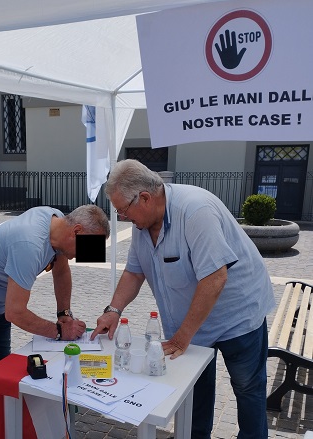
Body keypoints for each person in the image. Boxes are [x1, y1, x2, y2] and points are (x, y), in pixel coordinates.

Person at [91, 159, 275, 439]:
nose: (123, 218)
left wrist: (181, 337)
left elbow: (215, 278)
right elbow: (133, 272)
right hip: (192, 325)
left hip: (238, 316)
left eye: (123, 211)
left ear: (145, 197)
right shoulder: (143, 226)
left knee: (248, 389)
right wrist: (113, 310)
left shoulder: (195, 211)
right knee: (193, 392)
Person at [0, 204, 110, 392]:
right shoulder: (29, 245)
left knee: (2, 372)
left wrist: (64, 314)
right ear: (76, 231)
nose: (83, 256)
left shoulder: (57, 222)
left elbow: (61, 272)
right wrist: (60, 331)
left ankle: (5, 420)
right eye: (88, 247)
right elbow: (15, 312)